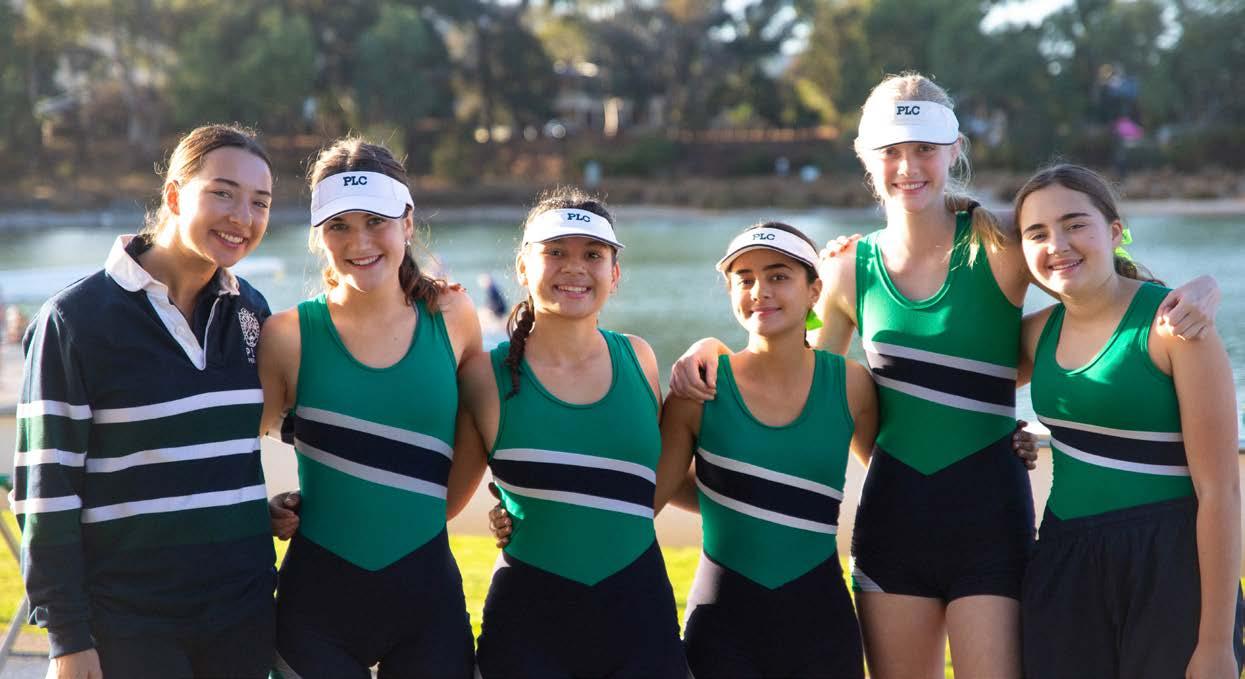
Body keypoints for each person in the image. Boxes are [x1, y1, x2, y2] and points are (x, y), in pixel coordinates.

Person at [668, 73, 1220, 679]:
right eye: (892, 152)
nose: (909, 167)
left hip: (991, 519)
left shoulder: (1002, 243)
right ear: (866, 158)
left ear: (954, 149)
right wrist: (708, 346)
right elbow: (805, 385)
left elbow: (1095, 284)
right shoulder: (848, 268)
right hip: (893, 521)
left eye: (925, 149)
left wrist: (1197, 289)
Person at [14, 124, 278, 679]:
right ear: (175, 196)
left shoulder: (251, 312)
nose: (243, 217)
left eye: (260, 202)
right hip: (128, 624)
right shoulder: (74, 321)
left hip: (244, 615)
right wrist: (67, 638)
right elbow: (48, 492)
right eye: (223, 193)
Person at [259, 138, 483, 679]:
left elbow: (480, 431)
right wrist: (259, 510)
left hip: (429, 603)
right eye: (339, 225)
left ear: (408, 222)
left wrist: (437, 511)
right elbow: (233, 450)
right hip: (316, 610)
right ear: (318, 236)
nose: (359, 242)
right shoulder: (287, 335)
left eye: (375, 221)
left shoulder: (452, 315)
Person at [1013, 164, 1244, 679]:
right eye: (1037, 233)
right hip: (1064, 562)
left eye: (1076, 224)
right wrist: (1002, 436)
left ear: (1115, 232)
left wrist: (1215, 644)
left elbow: (1221, 492)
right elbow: (950, 384)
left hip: (1171, 565)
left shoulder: (1176, 326)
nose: (1058, 245)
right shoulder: (1036, 333)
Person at [456, 188, 687, 678]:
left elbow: (653, 482)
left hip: (640, 616)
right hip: (529, 621)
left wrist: (711, 346)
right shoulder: (483, 376)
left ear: (614, 274)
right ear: (523, 268)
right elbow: (439, 499)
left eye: (593, 255)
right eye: (556, 252)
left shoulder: (641, 358)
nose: (575, 267)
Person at [659, 222, 878, 678]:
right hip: (722, 625)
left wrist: (1011, 441)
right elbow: (648, 495)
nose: (760, 291)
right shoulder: (699, 390)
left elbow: (892, 476)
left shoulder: (851, 385)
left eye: (778, 276)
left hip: (822, 625)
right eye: (745, 279)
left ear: (814, 290)